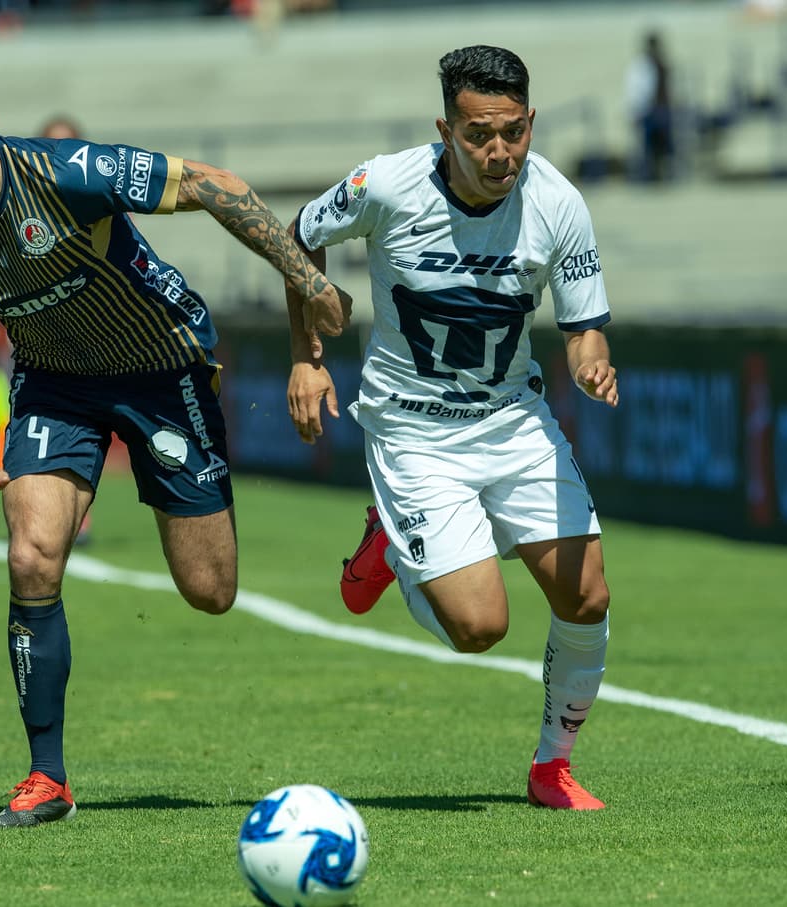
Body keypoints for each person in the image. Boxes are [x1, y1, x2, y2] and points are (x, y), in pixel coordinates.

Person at [0, 60, 348, 828]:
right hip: (56, 383)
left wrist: (307, 277)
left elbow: (212, 182)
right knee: (32, 555)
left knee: (210, 590)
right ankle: (46, 777)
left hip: (163, 367)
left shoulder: (65, 172)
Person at [284, 45, 619, 810]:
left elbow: (585, 326)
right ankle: (394, 547)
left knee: (589, 599)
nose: (499, 152)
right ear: (446, 129)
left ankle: (551, 767)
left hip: (513, 419)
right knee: (479, 627)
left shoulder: (558, 202)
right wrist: (306, 358)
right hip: (413, 431)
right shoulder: (386, 185)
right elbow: (297, 235)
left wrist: (592, 362)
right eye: (477, 135)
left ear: (530, 121)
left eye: (512, 132)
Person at [625, 30, 674, 183]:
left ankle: (658, 175)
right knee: (648, 146)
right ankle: (648, 176)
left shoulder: (658, 64)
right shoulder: (643, 65)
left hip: (658, 110)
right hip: (649, 111)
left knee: (660, 146)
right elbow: (638, 90)